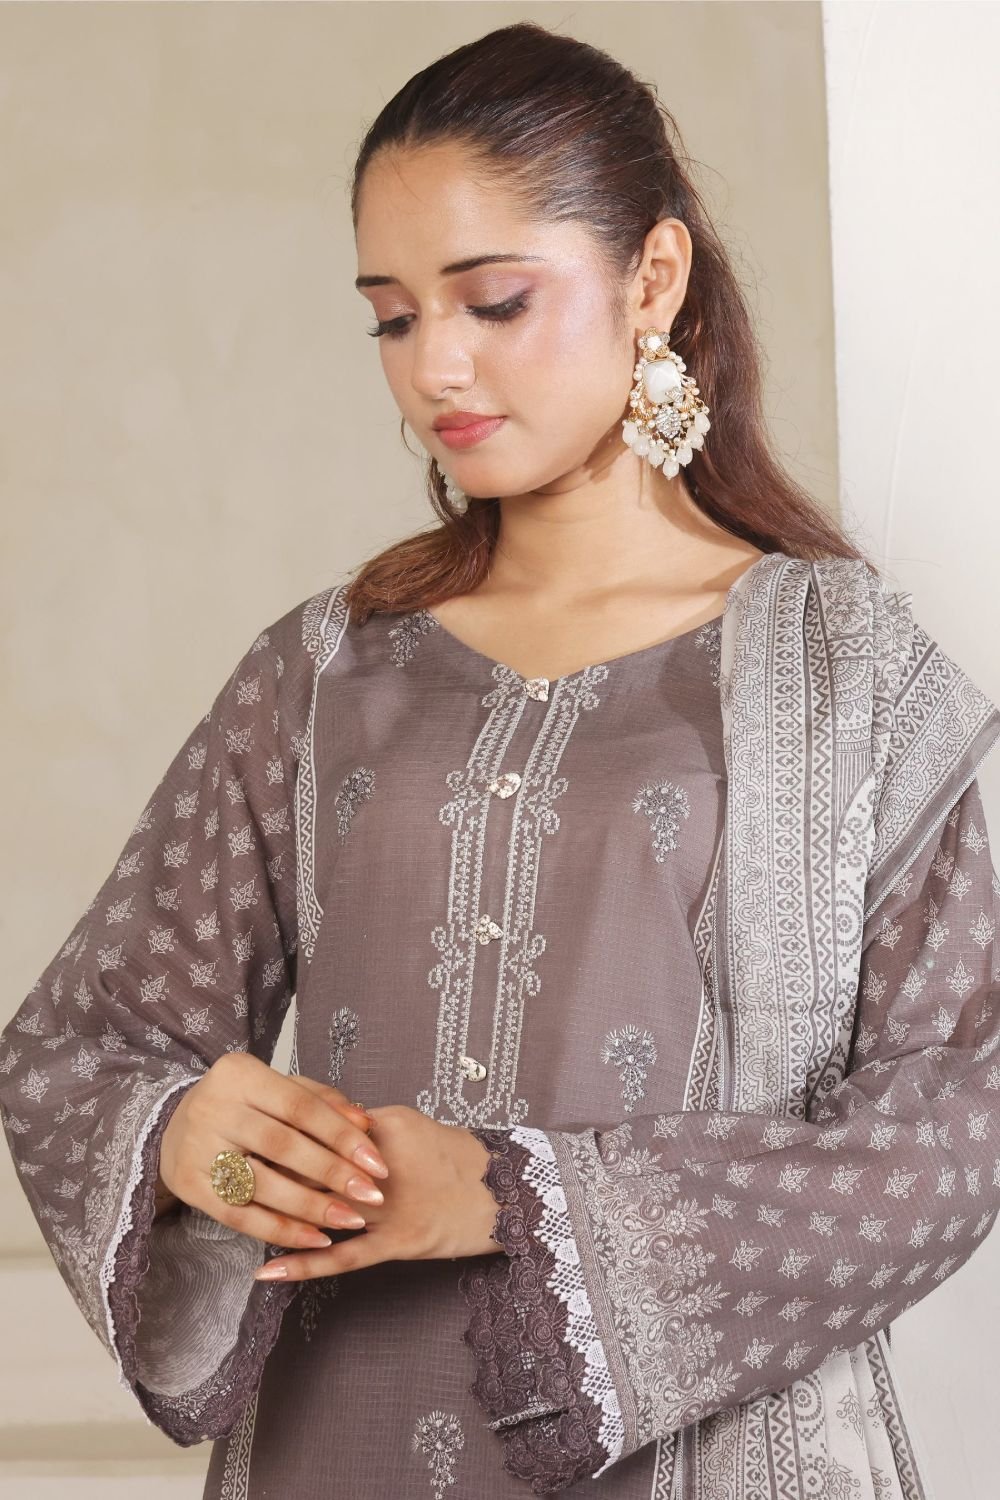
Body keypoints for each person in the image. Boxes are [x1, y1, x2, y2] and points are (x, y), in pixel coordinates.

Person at [2, 20, 999, 1500]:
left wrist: (508, 1194)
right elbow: (82, 1045)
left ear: (651, 279)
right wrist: (193, 1141)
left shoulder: (844, 669)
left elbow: (959, 1114)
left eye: (494, 301)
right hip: (335, 1441)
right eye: (393, 319)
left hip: (706, 1455)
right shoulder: (324, 672)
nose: (437, 366)